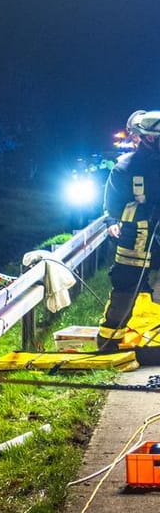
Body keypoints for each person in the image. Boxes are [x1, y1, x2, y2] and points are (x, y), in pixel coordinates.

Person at [96, 109, 159, 350]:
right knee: (125, 289)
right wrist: (111, 223)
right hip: (136, 239)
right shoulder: (125, 168)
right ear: (150, 138)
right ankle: (108, 342)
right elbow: (112, 205)